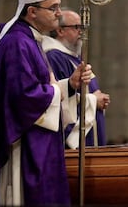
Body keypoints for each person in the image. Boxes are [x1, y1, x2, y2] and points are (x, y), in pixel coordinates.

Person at [0, 0, 94, 207]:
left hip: (38, 145)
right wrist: (58, 92)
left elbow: (41, 89)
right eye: (54, 7)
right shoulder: (17, 43)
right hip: (24, 149)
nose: (59, 14)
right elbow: (24, 98)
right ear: (32, 11)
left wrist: (70, 84)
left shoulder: (30, 40)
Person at [42, 9, 110, 147]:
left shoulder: (75, 58)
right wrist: (94, 100)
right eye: (76, 27)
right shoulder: (54, 57)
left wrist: (99, 97)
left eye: (82, 27)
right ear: (60, 31)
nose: (81, 32)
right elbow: (61, 98)